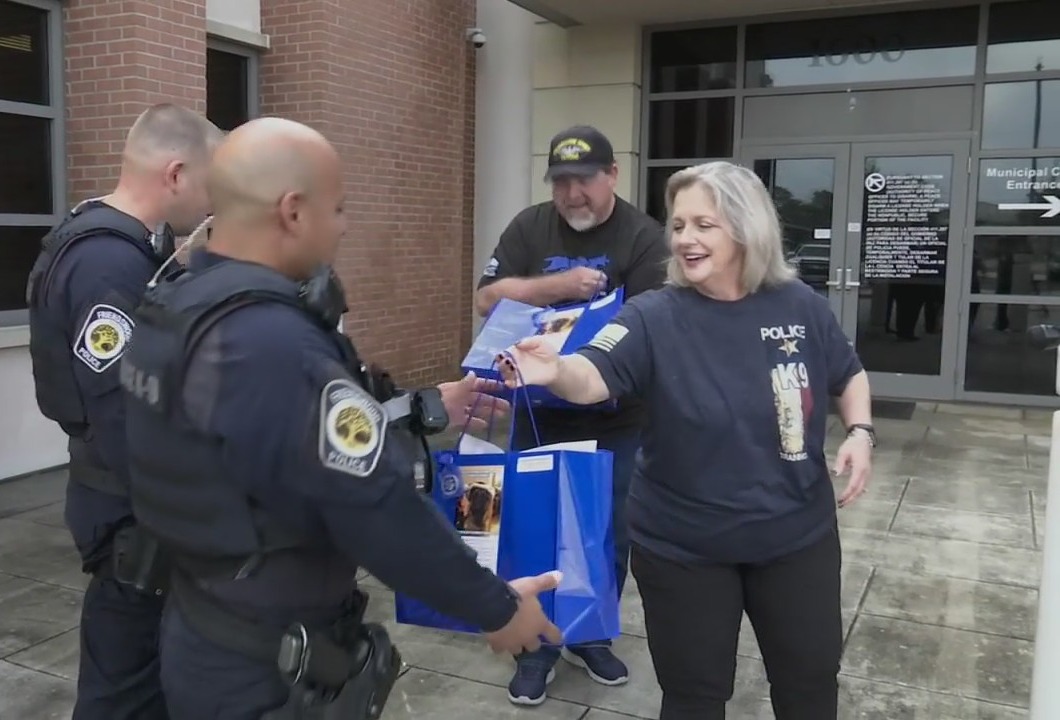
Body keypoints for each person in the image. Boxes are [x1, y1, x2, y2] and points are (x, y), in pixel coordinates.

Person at [119, 116, 565, 720]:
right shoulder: (269, 341)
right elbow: (374, 504)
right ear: (294, 211)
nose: (345, 225)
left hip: (203, 625)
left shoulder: (175, 305)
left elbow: (272, 444)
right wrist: (499, 608)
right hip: (264, 669)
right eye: (339, 209)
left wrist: (420, 404)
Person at [496, 160, 874, 720]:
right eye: (678, 225)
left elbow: (848, 372)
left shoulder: (800, 307)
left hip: (797, 538)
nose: (685, 239)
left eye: (704, 224)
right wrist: (554, 371)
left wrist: (861, 431)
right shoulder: (652, 315)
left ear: (747, 228)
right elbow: (595, 373)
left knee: (811, 683)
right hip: (686, 548)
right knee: (695, 697)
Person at [25, 103, 223, 720]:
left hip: (127, 508)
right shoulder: (108, 260)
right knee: (125, 694)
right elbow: (123, 413)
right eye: (209, 185)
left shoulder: (118, 244)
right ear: (176, 173)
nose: (212, 202)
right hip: (131, 519)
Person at [474, 124, 669, 705]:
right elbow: (488, 297)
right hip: (536, 417)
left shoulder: (643, 238)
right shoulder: (530, 226)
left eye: (583, 180)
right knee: (533, 533)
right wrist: (556, 284)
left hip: (614, 420)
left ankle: (590, 634)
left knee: (607, 536)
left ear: (612, 175)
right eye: (560, 182)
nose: (571, 194)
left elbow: (649, 327)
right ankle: (537, 649)